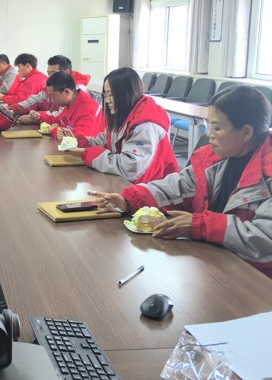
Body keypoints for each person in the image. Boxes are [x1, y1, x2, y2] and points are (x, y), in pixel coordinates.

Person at [92, 86, 272, 278]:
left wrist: (202, 226)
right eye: (208, 125)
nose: (209, 134)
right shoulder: (214, 159)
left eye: (217, 128)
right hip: (216, 264)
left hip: (255, 279)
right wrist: (129, 199)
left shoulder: (267, 174)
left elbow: (265, 238)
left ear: (246, 132)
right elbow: (177, 186)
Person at [65, 67, 178, 184]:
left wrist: (88, 153)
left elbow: (129, 167)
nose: (107, 101)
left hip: (151, 187)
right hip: (129, 182)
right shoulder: (123, 114)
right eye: (106, 95)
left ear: (125, 94)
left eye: (111, 95)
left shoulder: (145, 126)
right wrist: (79, 142)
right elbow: (103, 141)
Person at [9, 55, 91, 124]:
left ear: (67, 72)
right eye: (48, 73)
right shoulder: (54, 84)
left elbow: (62, 116)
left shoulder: (76, 91)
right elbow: (34, 99)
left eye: (53, 73)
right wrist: (13, 109)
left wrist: (37, 117)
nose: (50, 77)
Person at [38, 71, 101, 138]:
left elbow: (81, 138)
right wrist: (39, 116)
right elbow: (60, 121)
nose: (53, 100)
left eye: (54, 96)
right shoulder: (71, 103)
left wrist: (55, 130)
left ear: (67, 92)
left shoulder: (88, 108)